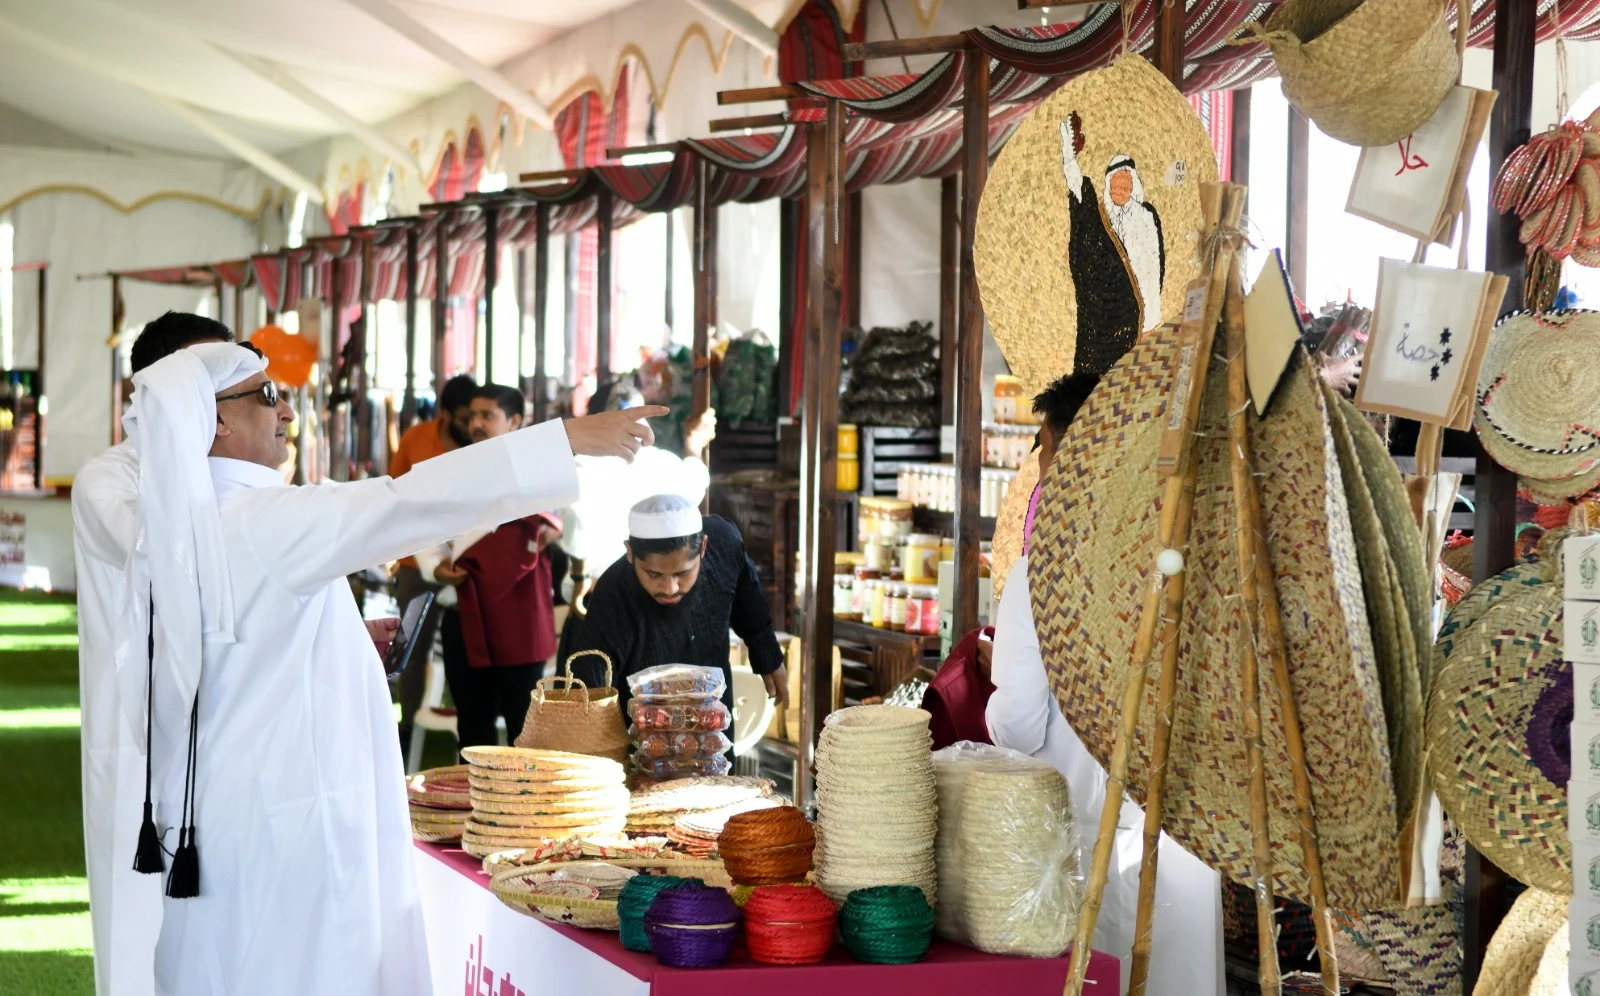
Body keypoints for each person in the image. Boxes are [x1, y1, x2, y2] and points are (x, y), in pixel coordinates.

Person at [119, 342, 662, 994]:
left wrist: (342, 637)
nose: (288, 411)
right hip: (289, 818)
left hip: (224, 810)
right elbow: (410, 501)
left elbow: (242, 650)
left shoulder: (179, 523)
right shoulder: (260, 516)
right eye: (268, 396)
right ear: (216, 422)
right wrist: (567, 437)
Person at [984, 372, 1223, 996]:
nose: (1041, 464)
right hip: (1186, 830)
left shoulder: (1043, 573)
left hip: (1083, 832)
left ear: (1075, 452)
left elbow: (1017, 721)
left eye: (1046, 447)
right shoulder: (1196, 554)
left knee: (1104, 975)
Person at [71, 312, 231, 996]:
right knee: (137, 936)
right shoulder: (107, 479)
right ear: (153, 389)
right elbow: (158, 552)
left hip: (225, 737)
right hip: (136, 745)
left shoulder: (232, 479)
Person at [567, 494, 786, 739]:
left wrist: (766, 651)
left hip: (713, 731)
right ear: (630, 553)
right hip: (644, 747)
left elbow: (748, 594)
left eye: (683, 573)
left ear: (703, 547)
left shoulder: (724, 543)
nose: (670, 588)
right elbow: (587, 692)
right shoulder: (612, 596)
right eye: (654, 574)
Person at [430, 384, 563, 751]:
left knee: (525, 732)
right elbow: (432, 532)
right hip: (465, 607)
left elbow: (567, 523)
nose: (476, 423)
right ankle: (473, 807)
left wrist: (552, 529)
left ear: (515, 422)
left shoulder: (539, 472)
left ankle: (523, 808)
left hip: (520, 612)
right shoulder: (452, 470)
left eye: (487, 415)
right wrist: (437, 566)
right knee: (472, 731)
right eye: (472, 415)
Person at [390, 373, 478, 749]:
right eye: (463, 417)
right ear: (445, 413)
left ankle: (471, 730)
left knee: (470, 652)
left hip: (468, 566)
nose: (470, 424)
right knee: (408, 649)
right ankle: (406, 728)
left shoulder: (483, 443)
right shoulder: (416, 439)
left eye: (475, 416)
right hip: (416, 565)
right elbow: (394, 494)